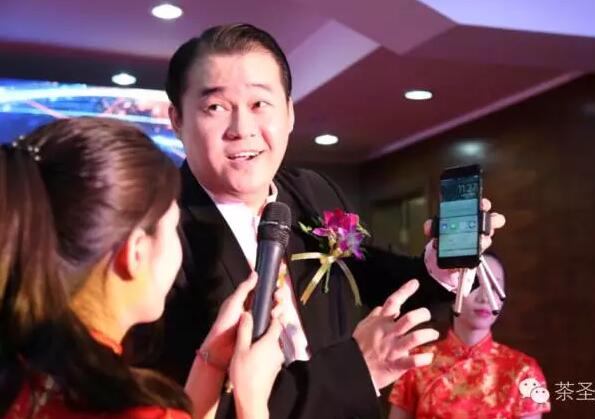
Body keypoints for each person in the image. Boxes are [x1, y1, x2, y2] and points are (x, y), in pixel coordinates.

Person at [135, 23, 505, 419]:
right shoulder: (155, 233)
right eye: (215, 107)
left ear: (290, 113)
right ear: (177, 120)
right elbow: (178, 400)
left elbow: (372, 274)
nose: (242, 129)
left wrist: (441, 265)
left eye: (260, 104)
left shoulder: (310, 191)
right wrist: (357, 368)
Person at [0, 117, 283, 419]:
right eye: (173, 228)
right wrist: (251, 399)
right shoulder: (130, 409)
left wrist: (210, 363)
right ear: (135, 253)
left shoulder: (20, 374)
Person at [389, 254, 551, 419]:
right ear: (451, 292)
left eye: (493, 286)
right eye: (474, 284)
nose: (485, 297)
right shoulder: (417, 361)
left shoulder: (524, 370)